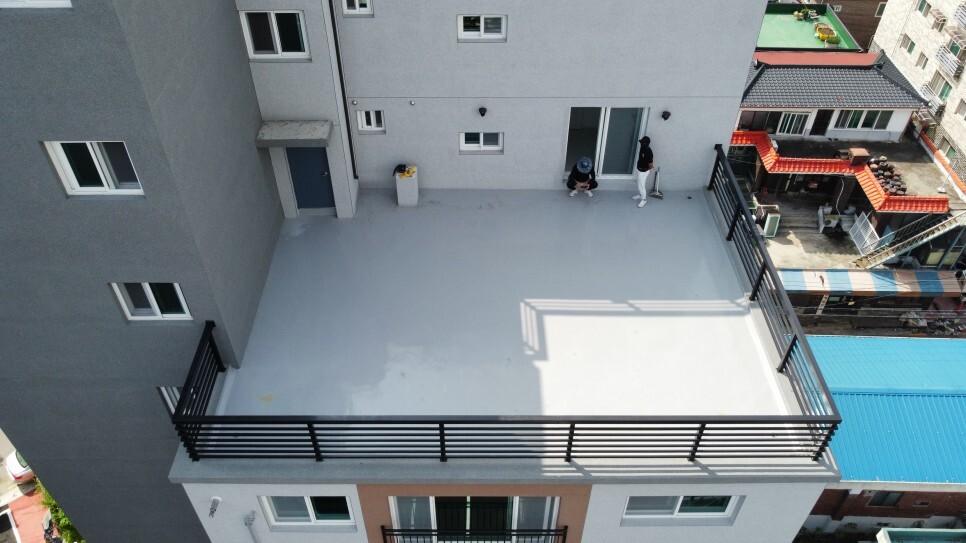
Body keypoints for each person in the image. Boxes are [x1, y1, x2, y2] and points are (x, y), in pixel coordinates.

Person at [633, 136, 654, 208]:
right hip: (640, 170)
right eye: (641, 142)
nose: (641, 144)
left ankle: (644, 200)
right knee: (639, 183)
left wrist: (651, 168)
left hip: (644, 171)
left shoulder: (648, 151)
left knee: (642, 185)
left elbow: (651, 163)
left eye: (643, 142)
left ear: (646, 143)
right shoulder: (642, 148)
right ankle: (640, 195)